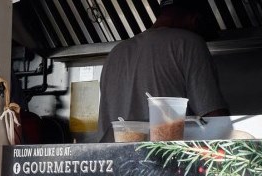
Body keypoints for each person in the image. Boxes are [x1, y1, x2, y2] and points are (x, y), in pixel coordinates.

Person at [97, 0, 229, 141]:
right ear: (195, 20)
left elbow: (106, 127)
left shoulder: (116, 53)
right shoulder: (189, 43)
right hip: (166, 160)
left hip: (116, 159)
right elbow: (216, 120)